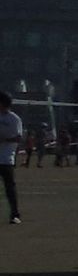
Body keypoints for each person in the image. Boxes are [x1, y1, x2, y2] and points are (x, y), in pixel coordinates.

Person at [0, 93, 22, 223]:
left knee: (9, 187)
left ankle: (15, 214)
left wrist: (5, 139)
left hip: (6, 158)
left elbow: (18, 137)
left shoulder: (14, 119)